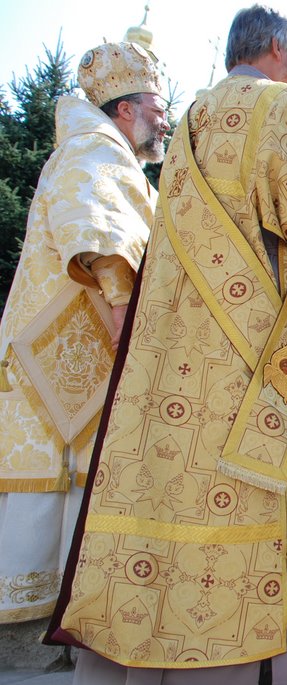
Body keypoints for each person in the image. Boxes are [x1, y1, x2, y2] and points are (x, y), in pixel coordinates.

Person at [47, 7, 287, 682]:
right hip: (260, 372)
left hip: (178, 373)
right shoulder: (284, 110)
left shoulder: (188, 121)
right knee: (267, 506)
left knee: (179, 506)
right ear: (278, 48)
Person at [0, 42, 165, 625]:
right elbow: (96, 226)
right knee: (61, 470)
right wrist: (123, 306)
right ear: (125, 110)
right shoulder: (94, 150)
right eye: (156, 105)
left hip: (79, 346)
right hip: (68, 347)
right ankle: (48, 612)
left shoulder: (107, 151)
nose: (163, 118)